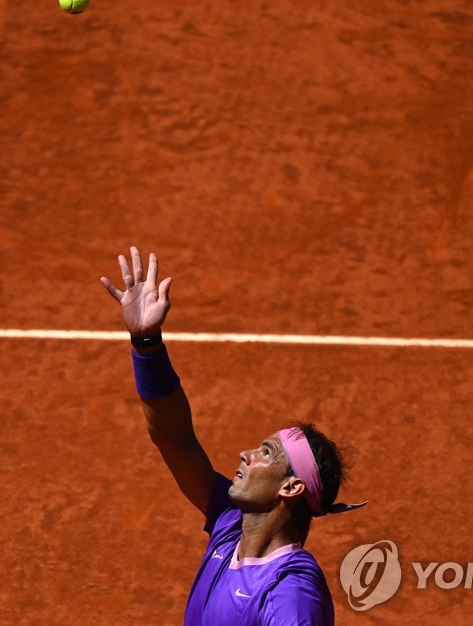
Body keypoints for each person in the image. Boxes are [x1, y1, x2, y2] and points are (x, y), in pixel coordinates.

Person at [101, 246, 366, 625]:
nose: (245, 454)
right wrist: (147, 343)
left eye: (266, 453)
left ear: (290, 487)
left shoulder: (290, 594)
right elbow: (174, 437)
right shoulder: (229, 524)